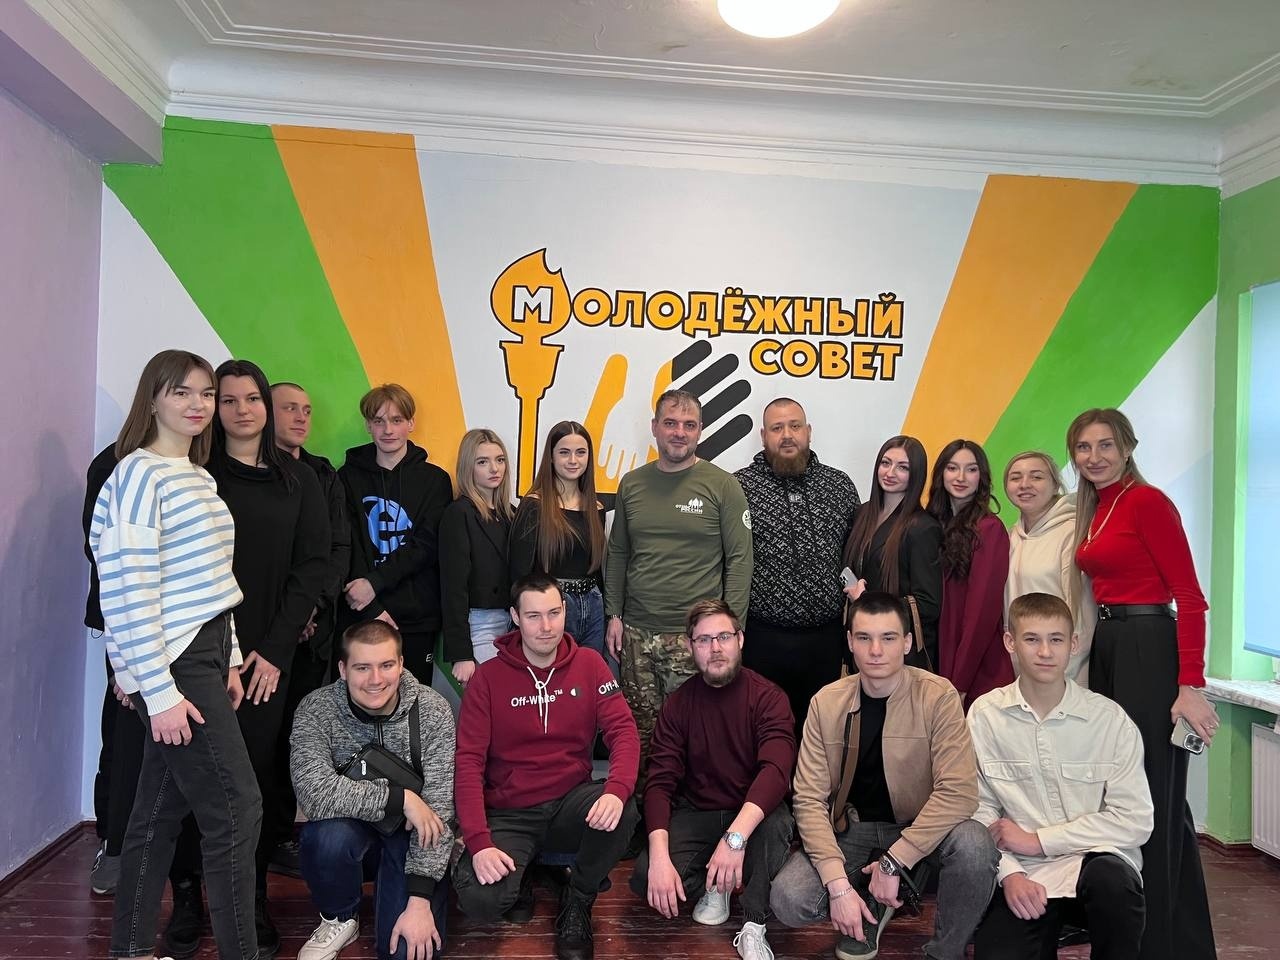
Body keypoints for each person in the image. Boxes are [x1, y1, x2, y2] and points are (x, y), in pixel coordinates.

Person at [89, 349, 260, 960]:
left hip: (205, 652)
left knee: (157, 814)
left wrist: (231, 656)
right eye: (181, 392)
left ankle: (131, 950)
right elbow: (126, 587)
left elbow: (211, 579)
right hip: (176, 664)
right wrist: (153, 687)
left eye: (206, 393)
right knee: (236, 810)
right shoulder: (137, 474)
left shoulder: (198, 475)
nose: (198, 404)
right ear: (153, 398)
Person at [770, 592, 997, 960]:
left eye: (888, 638)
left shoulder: (937, 696)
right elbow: (809, 799)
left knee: (975, 844)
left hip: (920, 827)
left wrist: (896, 859)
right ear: (850, 642)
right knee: (788, 900)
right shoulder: (826, 702)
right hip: (853, 830)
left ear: (906, 642)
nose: (876, 650)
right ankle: (869, 897)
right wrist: (838, 886)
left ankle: (944, 950)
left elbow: (959, 792)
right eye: (864, 638)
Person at [1068, 407, 1217, 960]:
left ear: (1128, 447)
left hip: (1149, 648)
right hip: (1111, 646)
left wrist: (1190, 684)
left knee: (1153, 797)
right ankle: (1183, 944)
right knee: (1137, 795)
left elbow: (1191, 598)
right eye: (1084, 447)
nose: (1094, 457)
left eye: (1105, 445)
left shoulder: (1148, 502)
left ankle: (1155, 946)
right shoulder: (1097, 507)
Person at [207, 358, 330, 956]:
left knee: (252, 781)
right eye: (228, 400)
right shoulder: (198, 473)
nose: (241, 410)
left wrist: (274, 652)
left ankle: (249, 899)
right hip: (201, 651)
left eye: (251, 398)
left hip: (266, 659)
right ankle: (190, 896)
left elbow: (312, 568)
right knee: (193, 780)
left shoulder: (298, 480)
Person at [453, 573, 641, 960]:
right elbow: (468, 763)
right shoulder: (487, 678)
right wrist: (479, 842)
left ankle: (578, 898)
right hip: (510, 811)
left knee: (624, 809)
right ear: (515, 617)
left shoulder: (590, 664)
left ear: (565, 611)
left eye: (554, 613)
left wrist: (616, 789)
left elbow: (623, 731)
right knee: (480, 900)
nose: (546, 626)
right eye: (534, 616)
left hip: (569, 801)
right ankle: (524, 871)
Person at [969, 593, 1152, 959]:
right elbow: (978, 810)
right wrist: (1009, 874)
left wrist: (1039, 840)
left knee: (1114, 885)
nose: (1045, 652)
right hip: (1027, 874)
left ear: (1074, 643)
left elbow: (1135, 821)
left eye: (1056, 639)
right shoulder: (985, 716)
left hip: (1095, 864)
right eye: (1031, 639)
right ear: (1010, 642)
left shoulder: (1109, 720)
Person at [605, 389, 753, 791]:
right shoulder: (633, 484)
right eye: (670, 423)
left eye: (689, 425)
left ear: (700, 431)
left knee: (697, 733)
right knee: (641, 735)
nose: (679, 432)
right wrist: (614, 614)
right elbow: (618, 552)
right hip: (636, 634)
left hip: (695, 640)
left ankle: (693, 812)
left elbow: (740, 560)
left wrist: (730, 630)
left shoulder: (722, 486)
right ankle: (644, 812)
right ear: (655, 427)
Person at [631, 599, 796, 960]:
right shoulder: (679, 704)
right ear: (690, 646)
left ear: (740, 639)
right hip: (699, 812)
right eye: (704, 640)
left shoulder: (768, 698)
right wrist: (659, 856)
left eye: (724, 637)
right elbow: (659, 782)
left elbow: (776, 771)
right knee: (647, 877)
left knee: (775, 827)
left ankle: (753, 921)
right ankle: (717, 883)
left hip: (755, 814)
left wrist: (735, 840)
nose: (715, 648)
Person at [290, 620, 455, 960]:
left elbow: (439, 811)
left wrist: (420, 898)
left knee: (405, 953)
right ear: (343, 669)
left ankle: (402, 895)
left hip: (411, 838)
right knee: (325, 839)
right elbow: (312, 791)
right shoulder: (316, 709)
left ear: (401, 664)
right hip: (351, 831)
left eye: (386, 665)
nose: (376, 679)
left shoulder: (432, 709)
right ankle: (339, 916)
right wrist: (400, 798)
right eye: (362, 667)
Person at [734, 397, 860, 738]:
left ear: (809, 431)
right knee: (763, 731)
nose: (787, 435)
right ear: (764, 436)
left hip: (826, 640)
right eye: (777, 428)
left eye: (795, 426)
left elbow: (856, 553)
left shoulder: (839, 485)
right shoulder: (737, 487)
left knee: (821, 733)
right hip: (762, 640)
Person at [269, 380, 354, 876]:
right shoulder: (246, 472)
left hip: (312, 631)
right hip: (257, 634)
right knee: (256, 738)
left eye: (306, 409)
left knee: (296, 733)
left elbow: (337, 548)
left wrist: (312, 608)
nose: (301, 417)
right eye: (289, 408)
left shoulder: (323, 475)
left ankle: (283, 833)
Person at [339, 384, 453, 687]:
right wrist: (370, 605)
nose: (388, 430)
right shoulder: (346, 478)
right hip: (361, 610)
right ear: (368, 425)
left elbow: (426, 545)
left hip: (416, 617)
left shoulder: (435, 480)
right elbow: (345, 544)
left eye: (397, 420)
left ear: (411, 423)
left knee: (415, 701)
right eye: (379, 421)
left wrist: (375, 581)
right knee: (364, 698)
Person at [509, 420, 609, 660]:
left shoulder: (596, 508)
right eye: (564, 452)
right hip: (551, 608)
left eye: (580, 452)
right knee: (553, 678)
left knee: (588, 676)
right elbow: (518, 573)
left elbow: (596, 570)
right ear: (551, 458)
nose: (573, 460)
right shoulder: (534, 505)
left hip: (594, 607)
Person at [841, 436, 942, 671]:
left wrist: (869, 602)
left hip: (899, 653)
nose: (890, 472)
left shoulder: (923, 527)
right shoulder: (862, 513)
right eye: (885, 463)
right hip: (860, 643)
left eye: (902, 467)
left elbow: (928, 604)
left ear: (916, 474)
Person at [926, 439, 1012, 707]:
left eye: (971, 469)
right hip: (939, 659)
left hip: (975, 669)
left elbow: (982, 612)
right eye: (952, 468)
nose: (961, 477)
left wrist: (960, 681)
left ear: (981, 477)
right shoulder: (932, 524)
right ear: (941, 474)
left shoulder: (989, 528)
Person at [1003, 451, 1095, 684]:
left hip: (1064, 673)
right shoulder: (1009, 538)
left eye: (1036, 477)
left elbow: (1082, 616)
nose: (1025, 484)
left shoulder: (1072, 533)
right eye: (1015, 477)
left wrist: (1064, 670)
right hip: (1022, 672)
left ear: (1055, 484)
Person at [440, 428, 516, 685]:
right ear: (468, 467)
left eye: (500, 460)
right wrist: (461, 653)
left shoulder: (511, 514)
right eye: (483, 462)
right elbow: (453, 587)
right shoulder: (458, 514)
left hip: (513, 624)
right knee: (486, 700)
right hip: (478, 625)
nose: (494, 468)